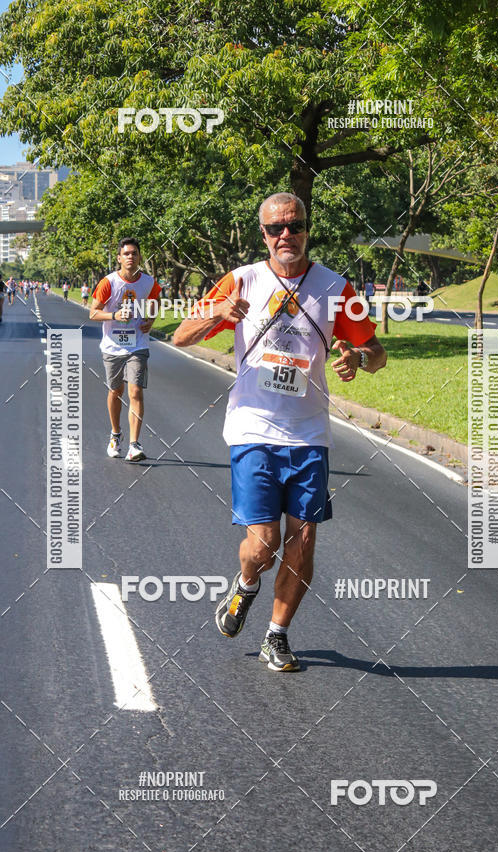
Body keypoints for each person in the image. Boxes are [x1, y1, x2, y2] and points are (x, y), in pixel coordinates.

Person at [173, 192, 387, 672]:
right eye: (276, 228)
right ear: (264, 234)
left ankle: (277, 634)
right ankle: (246, 584)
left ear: (307, 229)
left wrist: (359, 358)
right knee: (264, 544)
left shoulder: (336, 288)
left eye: (295, 226)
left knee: (304, 539)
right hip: (252, 428)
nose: (286, 235)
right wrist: (216, 313)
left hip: (309, 433)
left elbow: (377, 352)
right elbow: (180, 336)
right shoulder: (242, 280)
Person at [89, 237, 161, 462]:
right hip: (112, 346)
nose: (131, 257)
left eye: (134, 253)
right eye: (126, 254)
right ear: (119, 258)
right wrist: (114, 315)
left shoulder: (148, 282)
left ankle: (134, 444)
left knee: (135, 391)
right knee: (116, 392)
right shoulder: (108, 282)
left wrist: (151, 320)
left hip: (138, 344)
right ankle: (115, 433)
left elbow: (155, 301)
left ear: (139, 257)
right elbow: (93, 313)